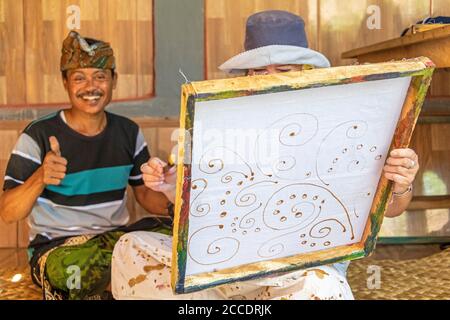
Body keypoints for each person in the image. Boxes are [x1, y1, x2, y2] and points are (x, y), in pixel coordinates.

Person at [111, 10, 419, 300]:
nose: (271, 77)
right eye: (259, 70)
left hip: (299, 271)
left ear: (304, 72)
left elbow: (391, 209)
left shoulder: (341, 122)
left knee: (320, 288)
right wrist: (168, 185)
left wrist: (402, 182)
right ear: (246, 75)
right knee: (130, 249)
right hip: (222, 269)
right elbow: (196, 208)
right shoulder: (212, 119)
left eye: (284, 70)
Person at [0, 31, 173, 300]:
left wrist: (173, 192)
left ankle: (125, 280)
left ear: (113, 81)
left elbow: (146, 197)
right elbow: (9, 213)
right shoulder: (38, 135)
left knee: (172, 235)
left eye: (100, 77)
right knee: (75, 272)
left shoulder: (128, 132)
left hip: (115, 242)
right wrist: (40, 177)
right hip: (60, 250)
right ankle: (131, 281)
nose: (90, 87)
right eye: (79, 78)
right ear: (65, 82)